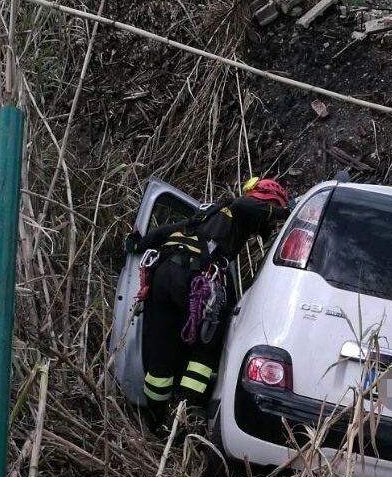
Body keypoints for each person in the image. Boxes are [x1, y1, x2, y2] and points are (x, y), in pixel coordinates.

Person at [125, 177, 292, 423]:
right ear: (266, 202)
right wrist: (285, 212)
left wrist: (139, 243)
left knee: (162, 347)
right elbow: (245, 205)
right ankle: (183, 414)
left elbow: (164, 231)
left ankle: (155, 417)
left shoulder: (207, 214)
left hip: (163, 276)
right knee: (205, 353)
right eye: (268, 213)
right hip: (193, 280)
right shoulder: (240, 209)